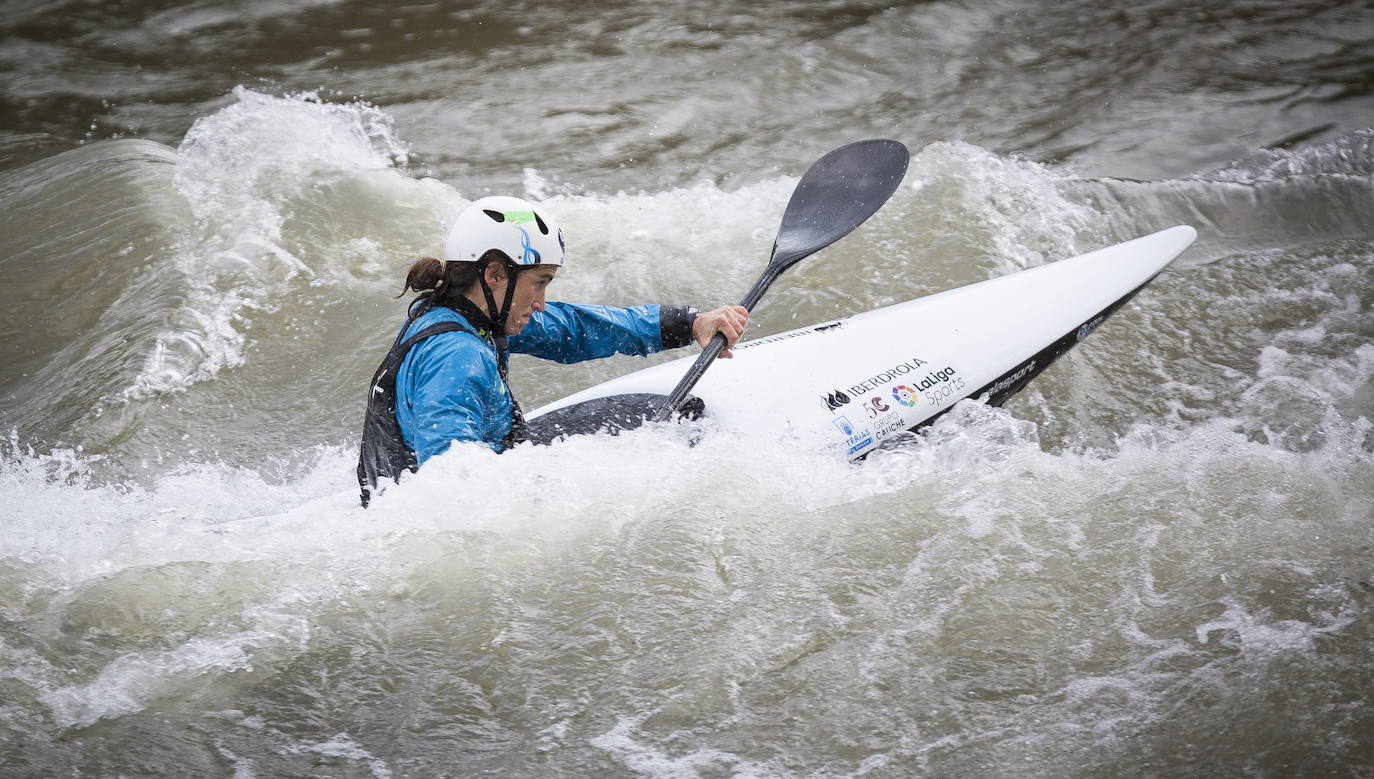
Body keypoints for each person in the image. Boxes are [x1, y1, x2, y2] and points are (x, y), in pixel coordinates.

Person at [357, 195, 749, 505]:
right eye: (540, 282)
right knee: (683, 418)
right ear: (494, 274)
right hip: (439, 517)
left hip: (471, 475)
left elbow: (576, 329)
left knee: (665, 411)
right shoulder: (456, 355)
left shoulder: (469, 315)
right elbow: (451, 486)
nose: (542, 301)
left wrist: (689, 324)